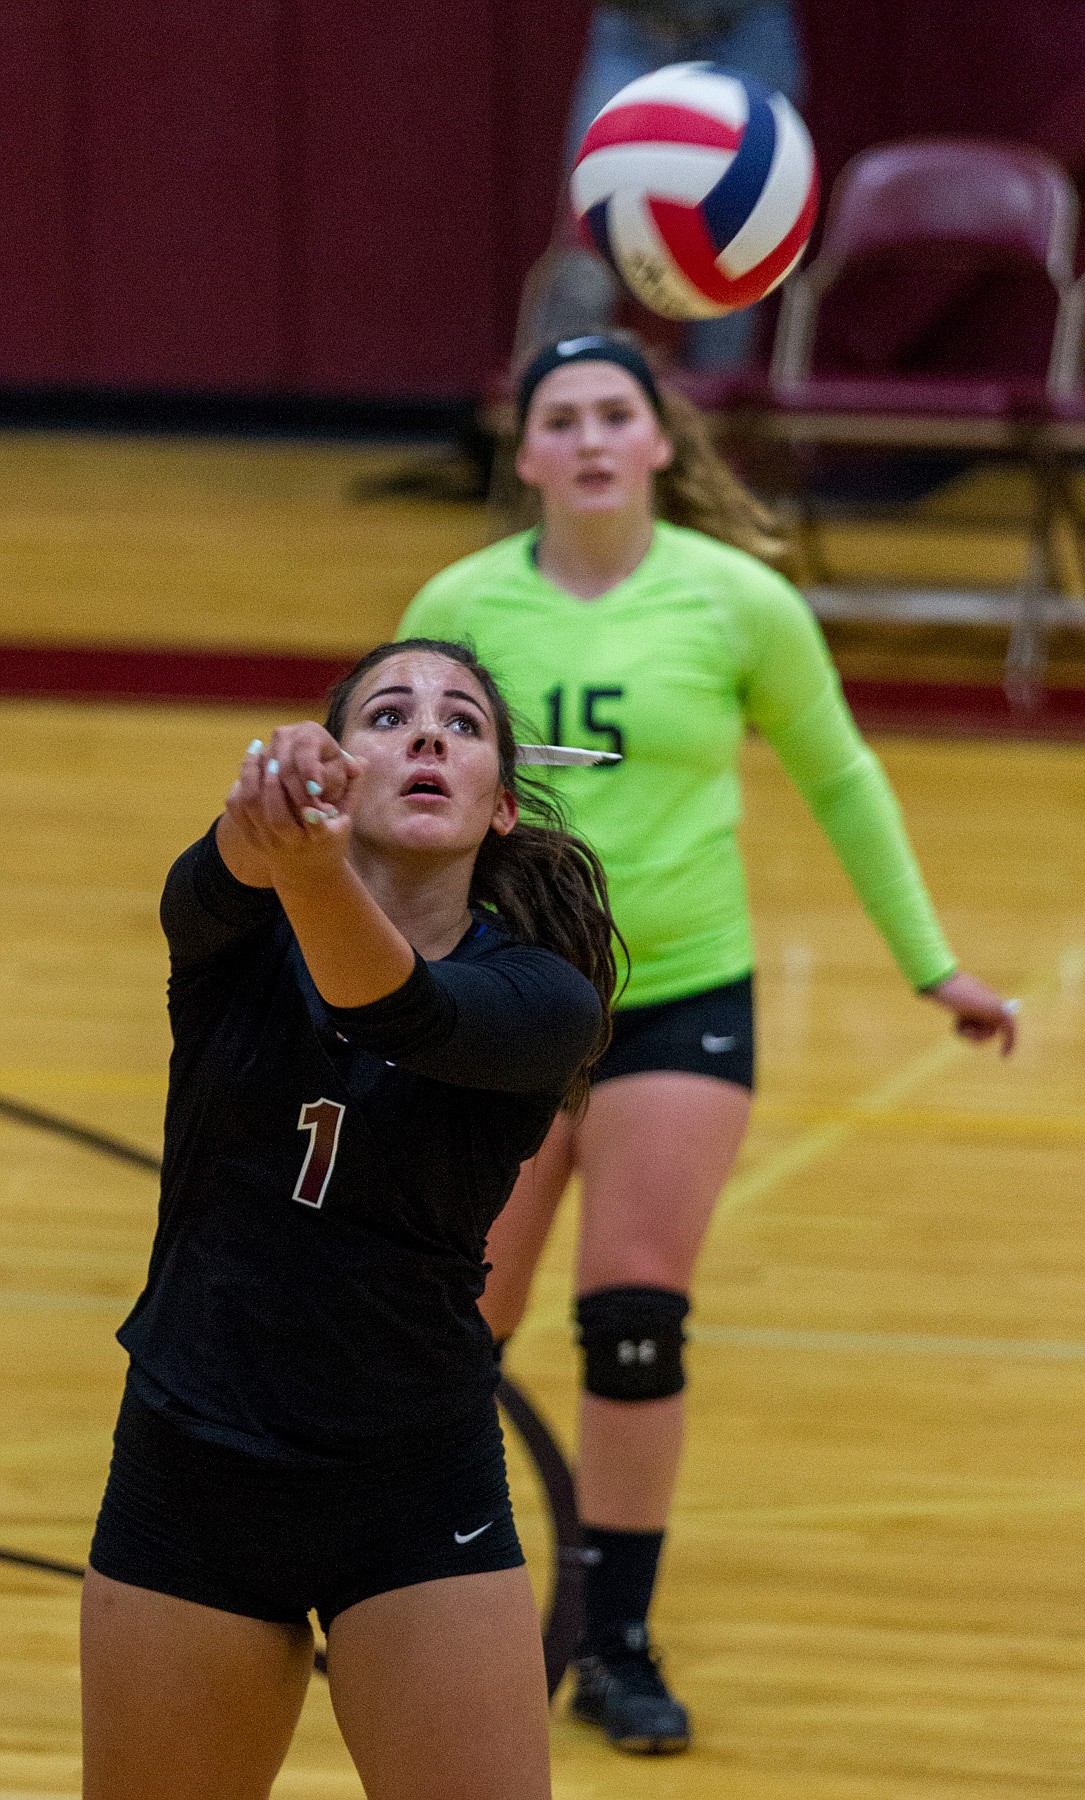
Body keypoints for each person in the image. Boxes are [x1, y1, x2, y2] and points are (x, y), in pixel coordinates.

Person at [396, 333, 1019, 1756]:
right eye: (567, 417)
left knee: (630, 1319)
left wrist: (933, 966)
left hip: (680, 996)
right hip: (500, 999)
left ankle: (615, 1640)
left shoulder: (736, 601)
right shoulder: (462, 604)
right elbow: (395, 788)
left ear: (663, 442)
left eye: (621, 411)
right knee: (444, 1325)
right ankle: (422, 1596)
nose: (597, 436)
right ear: (531, 454)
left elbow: (841, 778)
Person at [80, 639, 620, 1800]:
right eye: (387, 716)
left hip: (411, 1486)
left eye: (463, 724)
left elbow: (400, 1011)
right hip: (192, 1466)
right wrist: (257, 813)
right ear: (336, 769)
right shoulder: (229, 938)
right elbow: (216, 877)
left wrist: (306, 859)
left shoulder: (542, 1001)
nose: (428, 733)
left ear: (502, 810)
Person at [527, 0, 806, 369]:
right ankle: (555, 399)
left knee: (740, 237)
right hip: (632, 23)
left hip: (747, 24)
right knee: (588, 233)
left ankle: (713, 418)